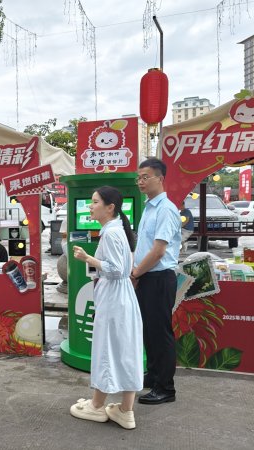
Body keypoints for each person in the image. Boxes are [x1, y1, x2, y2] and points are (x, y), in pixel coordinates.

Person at [71, 186, 143, 430]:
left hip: (114, 298)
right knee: (126, 350)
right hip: (121, 297)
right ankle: (125, 410)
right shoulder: (117, 230)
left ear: (110, 207)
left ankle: (96, 406)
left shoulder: (111, 233)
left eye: (95, 202)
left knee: (106, 349)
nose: (90, 206)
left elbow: (116, 270)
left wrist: (87, 258)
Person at [130, 158, 181, 405]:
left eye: (145, 177)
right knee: (149, 331)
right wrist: (137, 272)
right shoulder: (149, 208)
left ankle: (166, 388)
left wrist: (136, 273)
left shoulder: (166, 209)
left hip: (159, 277)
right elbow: (144, 246)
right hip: (147, 276)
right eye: (138, 178)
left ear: (160, 179)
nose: (140, 182)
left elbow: (159, 251)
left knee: (160, 333)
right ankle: (153, 376)